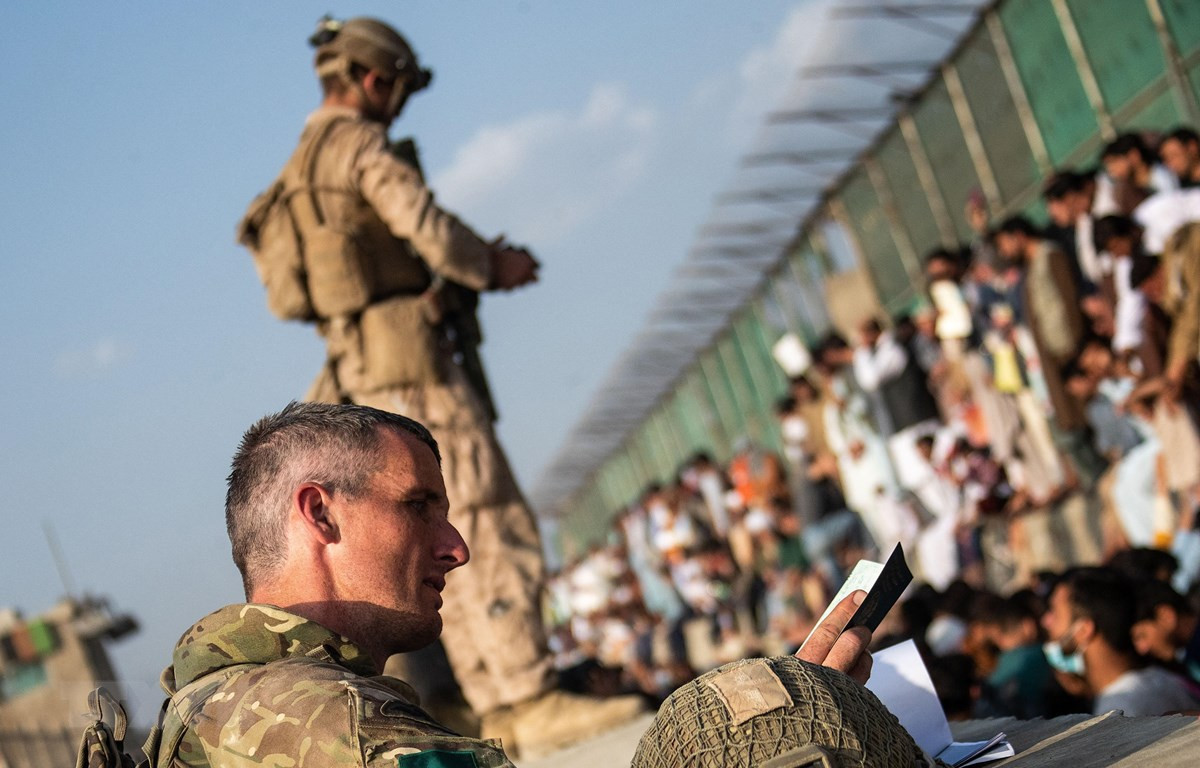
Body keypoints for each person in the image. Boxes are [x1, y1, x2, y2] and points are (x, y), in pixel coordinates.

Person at [140, 402, 877, 766]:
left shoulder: (205, 706)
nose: (455, 547)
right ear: (320, 513)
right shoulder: (337, 729)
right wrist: (771, 721)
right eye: (418, 507)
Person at [234, 16, 581, 750]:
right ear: (373, 79)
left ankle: (494, 703)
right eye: (396, 88)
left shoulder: (296, 170)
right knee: (485, 518)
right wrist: (491, 264)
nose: (397, 105)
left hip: (355, 369)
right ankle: (526, 696)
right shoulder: (358, 145)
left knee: (412, 536)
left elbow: (285, 298)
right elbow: (422, 223)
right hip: (412, 359)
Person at [1041, 567, 1198, 716]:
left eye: (1054, 612)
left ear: (1084, 630)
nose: (1045, 621)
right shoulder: (1163, 679)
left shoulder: (1120, 710)